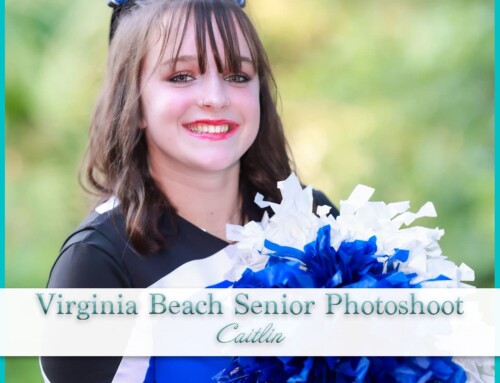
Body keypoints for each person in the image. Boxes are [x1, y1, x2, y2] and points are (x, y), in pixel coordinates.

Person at [40, 0, 337, 382]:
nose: (216, 97)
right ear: (135, 103)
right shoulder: (98, 263)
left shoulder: (312, 219)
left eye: (238, 75)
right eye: (181, 76)